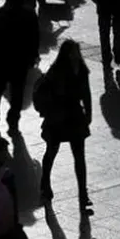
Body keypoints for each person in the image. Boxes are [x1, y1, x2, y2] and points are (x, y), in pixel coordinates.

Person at [33, 40, 93, 213]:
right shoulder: (56, 71)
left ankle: (83, 194)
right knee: (51, 152)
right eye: (72, 52)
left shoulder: (82, 70)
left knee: (79, 157)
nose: (75, 55)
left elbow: (87, 94)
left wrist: (88, 114)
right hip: (58, 117)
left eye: (76, 52)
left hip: (74, 117)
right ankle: (45, 185)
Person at [0, 0, 39, 133]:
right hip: (20, 61)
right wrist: (32, 57)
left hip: (0, 61)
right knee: (17, 92)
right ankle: (13, 119)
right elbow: (34, 38)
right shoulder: (29, 15)